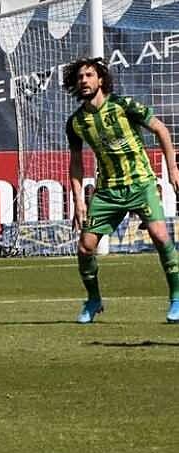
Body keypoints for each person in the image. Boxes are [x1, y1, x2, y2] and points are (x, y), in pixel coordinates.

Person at [63, 57, 179, 323]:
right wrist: (78, 200)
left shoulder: (124, 106)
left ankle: (176, 298)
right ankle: (93, 300)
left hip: (140, 184)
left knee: (160, 236)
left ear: (101, 79)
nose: (84, 80)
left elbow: (161, 129)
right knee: (85, 248)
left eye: (89, 75)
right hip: (107, 192)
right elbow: (76, 163)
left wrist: (173, 168)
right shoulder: (76, 122)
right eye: (80, 77)